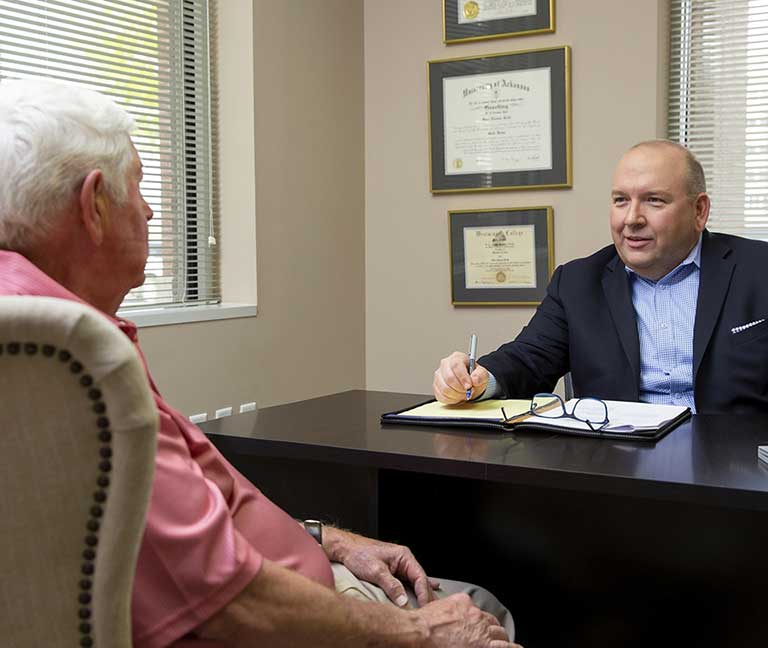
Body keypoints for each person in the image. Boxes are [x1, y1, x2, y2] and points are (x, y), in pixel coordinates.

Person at [0, 78, 518, 648]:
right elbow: (228, 602)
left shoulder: (36, 327)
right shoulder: (70, 358)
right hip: (286, 624)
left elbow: (183, 533)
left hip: (291, 579)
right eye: (139, 189)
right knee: (483, 612)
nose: (149, 211)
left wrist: (330, 539)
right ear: (93, 204)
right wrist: (418, 632)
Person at [434, 140, 768, 415]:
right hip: (620, 469)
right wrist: (478, 378)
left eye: (654, 201)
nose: (632, 219)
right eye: (621, 200)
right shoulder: (578, 282)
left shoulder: (759, 269)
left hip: (737, 474)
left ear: (699, 211)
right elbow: (527, 360)